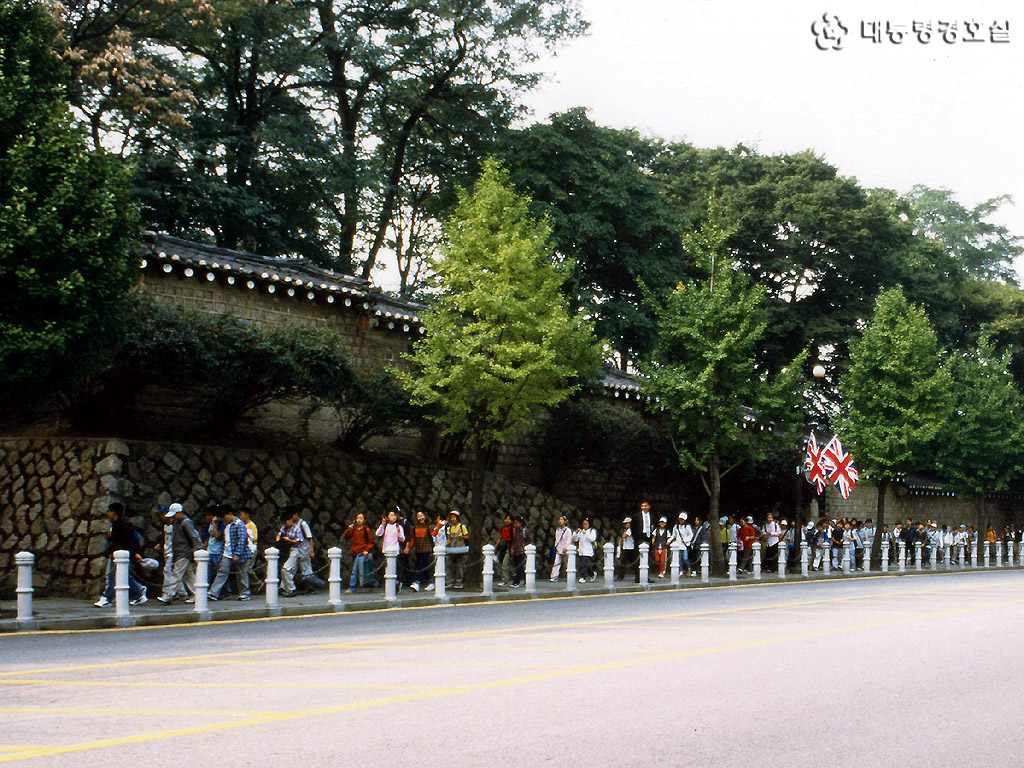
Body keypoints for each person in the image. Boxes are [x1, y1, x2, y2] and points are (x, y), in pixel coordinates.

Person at [94, 502, 148, 607]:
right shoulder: (115, 526)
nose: (107, 514)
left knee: (111, 576)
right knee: (123, 576)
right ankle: (139, 591)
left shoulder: (122, 526)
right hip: (116, 554)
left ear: (114, 512)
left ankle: (107, 598)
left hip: (120, 554)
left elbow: (130, 540)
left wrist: (136, 553)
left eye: (109, 511)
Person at [158, 503, 201, 603]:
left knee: (176, 574)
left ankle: (168, 595)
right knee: (189, 574)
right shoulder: (178, 522)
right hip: (181, 552)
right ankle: (198, 594)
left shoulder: (185, 522)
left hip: (183, 552)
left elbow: (194, 536)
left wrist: (199, 549)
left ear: (179, 512)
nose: (173, 517)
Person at [209, 505, 251, 600]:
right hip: (227, 553)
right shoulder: (226, 525)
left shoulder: (239, 524)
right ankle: (213, 593)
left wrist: (237, 554)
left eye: (224, 516)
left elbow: (242, 539)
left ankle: (245, 593)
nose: (223, 519)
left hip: (238, 553)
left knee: (242, 573)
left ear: (230, 514)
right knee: (222, 572)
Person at [342, 512, 377, 592]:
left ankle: (352, 586)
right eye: (358, 518)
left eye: (361, 518)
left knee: (355, 570)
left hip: (362, 553)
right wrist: (348, 529)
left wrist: (367, 550)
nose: (359, 520)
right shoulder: (354, 529)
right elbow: (346, 537)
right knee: (364, 570)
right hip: (355, 551)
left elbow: (370, 542)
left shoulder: (366, 530)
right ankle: (373, 584)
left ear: (364, 520)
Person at [376, 507, 406, 591]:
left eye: (394, 515)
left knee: (393, 569)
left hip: (394, 551)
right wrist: (382, 525)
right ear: (387, 517)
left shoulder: (398, 526)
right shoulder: (385, 526)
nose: (393, 517)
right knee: (387, 569)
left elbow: (402, 539)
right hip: (386, 550)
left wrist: (399, 532)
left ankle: (395, 585)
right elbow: (378, 534)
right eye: (391, 515)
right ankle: (391, 586)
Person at [405, 510, 433, 592]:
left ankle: (417, 582)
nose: (420, 518)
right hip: (418, 549)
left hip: (426, 548)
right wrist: (409, 548)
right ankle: (431, 582)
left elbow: (433, 536)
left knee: (422, 565)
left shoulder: (429, 526)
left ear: (425, 516)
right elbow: (413, 539)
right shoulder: (415, 527)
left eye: (422, 516)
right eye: (418, 516)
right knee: (423, 566)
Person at [446, 510, 468, 588]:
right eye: (451, 517)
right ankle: (449, 581)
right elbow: (449, 539)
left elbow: (467, 536)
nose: (452, 519)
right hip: (452, 548)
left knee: (459, 565)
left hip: (460, 548)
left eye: (454, 517)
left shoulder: (462, 527)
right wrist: (447, 544)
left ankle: (459, 582)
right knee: (448, 564)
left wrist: (461, 536)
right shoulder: (449, 528)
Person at [238, 508, 259, 587]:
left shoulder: (251, 525)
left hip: (251, 549)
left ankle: (257, 582)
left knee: (247, 569)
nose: (240, 516)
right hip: (246, 550)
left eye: (241, 514)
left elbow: (254, 538)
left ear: (247, 515)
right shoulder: (243, 525)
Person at [509, 515, 531, 587]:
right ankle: (526, 580)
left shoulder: (524, 531)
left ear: (520, 523)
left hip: (522, 551)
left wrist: (526, 547)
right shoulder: (514, 531)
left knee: (520, 567)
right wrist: (512, 548)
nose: (515, 525)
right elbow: (514, 541)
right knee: (518, 567)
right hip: (516, 551)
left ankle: (516, 582)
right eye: (514, 523)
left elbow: (529, 540)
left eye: (516, 523)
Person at [573, 518, 597, 582]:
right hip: (581, 550)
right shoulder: (581, 531)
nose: (584, 525)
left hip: (588, 550)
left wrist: (585, 533)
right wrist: (576, 532)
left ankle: (583, 577)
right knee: (585, 564)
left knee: (584, 563)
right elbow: (575, 539)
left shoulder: (592, 531)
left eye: (586, 524)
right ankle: (592, 573)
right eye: (583, 524)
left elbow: (592, 539)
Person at [550, 516, 572, 581]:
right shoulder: (558, 530)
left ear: (565, 521)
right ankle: (554, 576)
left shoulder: (568, 530)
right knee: (556, 563)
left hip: (565, 549)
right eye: (559, 519)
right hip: (558, 548)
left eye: (562, 519)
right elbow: (557, 539)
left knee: (567, 563)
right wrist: (556, 546)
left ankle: (570, 576)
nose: (560, 521)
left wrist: (566, 547)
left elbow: (569, 539)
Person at [495, 514, 513, 586]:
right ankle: (511, 573)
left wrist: (512, 548)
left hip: (510, 547)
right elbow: (500, 538)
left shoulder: (512, 529)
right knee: (501, 562)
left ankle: (504, 580)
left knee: (505, 564)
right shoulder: (502, 529)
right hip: (503, 547)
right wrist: (495, 547)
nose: (506, 521)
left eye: (509, 519)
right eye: (506, 519)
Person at [617, 517, 637, 582]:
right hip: (626, 547)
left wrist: (625, 531)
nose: (625, 525)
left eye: (626, 523)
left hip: (630, 548)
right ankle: (620, 576)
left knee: (633, 563)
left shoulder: (630, 530)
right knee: (623, 562)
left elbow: (624, 536)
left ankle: (637, 575)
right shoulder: (627, 529)